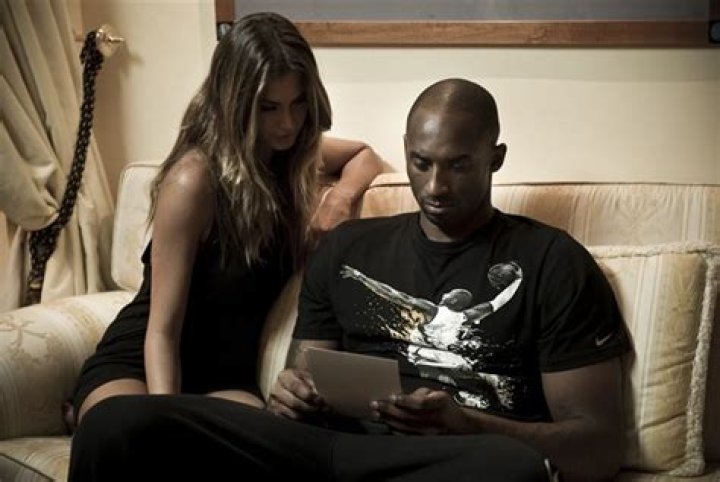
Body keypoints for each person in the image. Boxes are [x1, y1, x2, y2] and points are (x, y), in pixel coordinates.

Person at [68, 78, 630, 482]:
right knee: (115, 425)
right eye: (421, 163)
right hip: (322, 452)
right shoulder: (348, 248)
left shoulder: (553, 261)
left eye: (458, 165)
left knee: (515, 469)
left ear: (495, 158)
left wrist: (466, 425)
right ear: (405, 155)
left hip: (448, 459)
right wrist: (292, 393)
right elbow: (303, 377)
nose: (436, 186)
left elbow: (600, 449)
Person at [68, 11, 383, 427]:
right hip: (141, 366)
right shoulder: (194, 179)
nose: (288, 123)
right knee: (137, 433)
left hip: (225, 376)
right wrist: (167, 417)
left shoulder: (293, 156)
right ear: (237, 104)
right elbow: (162, 331)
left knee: (263, 442)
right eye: (269, 108)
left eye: (298, 103)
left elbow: (365, 156)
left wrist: (340, 197)